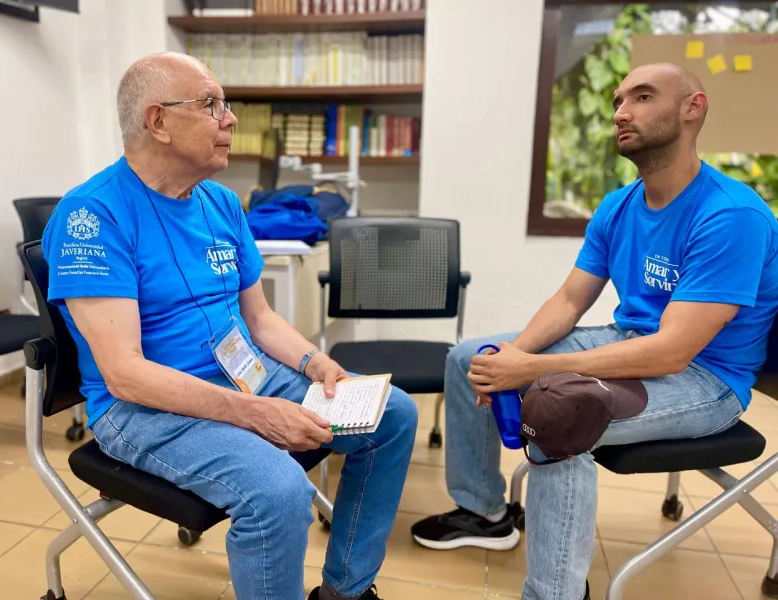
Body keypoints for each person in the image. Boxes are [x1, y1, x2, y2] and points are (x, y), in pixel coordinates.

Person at [41, 51, 418, 600]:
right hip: (142, 408)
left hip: (242, 375)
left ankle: (346, 590)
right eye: (211, 105)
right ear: (158, 121)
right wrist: (257, 414)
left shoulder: (220, 202)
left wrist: (316, 362)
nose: (231, 119)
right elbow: (125, 374)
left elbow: (258, 319)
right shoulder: (91, 217)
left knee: (393, 414)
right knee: (278, 492)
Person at [410, 62, 778, 600]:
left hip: (706, 379)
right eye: (617, 101)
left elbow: (674, 351)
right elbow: (568, 301)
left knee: (561, 415)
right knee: (473, 357)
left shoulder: (731, 215)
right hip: (629, 342)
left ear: (692, 108)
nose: (622, 113)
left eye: (643, 97)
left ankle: (555, 593)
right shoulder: (618, 205)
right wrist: (510, 358)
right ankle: (484, 511)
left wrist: (531, 368)